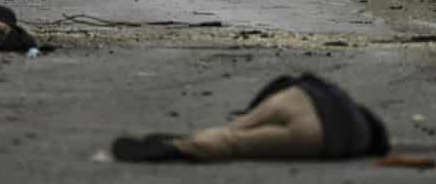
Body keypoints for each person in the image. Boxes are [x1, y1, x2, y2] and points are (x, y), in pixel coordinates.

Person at [112, 73, 390, 162]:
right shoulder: (360, 139)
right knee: (237, 144)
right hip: (318, 134)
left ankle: (211, 133)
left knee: (234, 128)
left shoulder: (343, 98)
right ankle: (183, 147)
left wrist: (252, 110)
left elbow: (290, 80)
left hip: (298, 96)